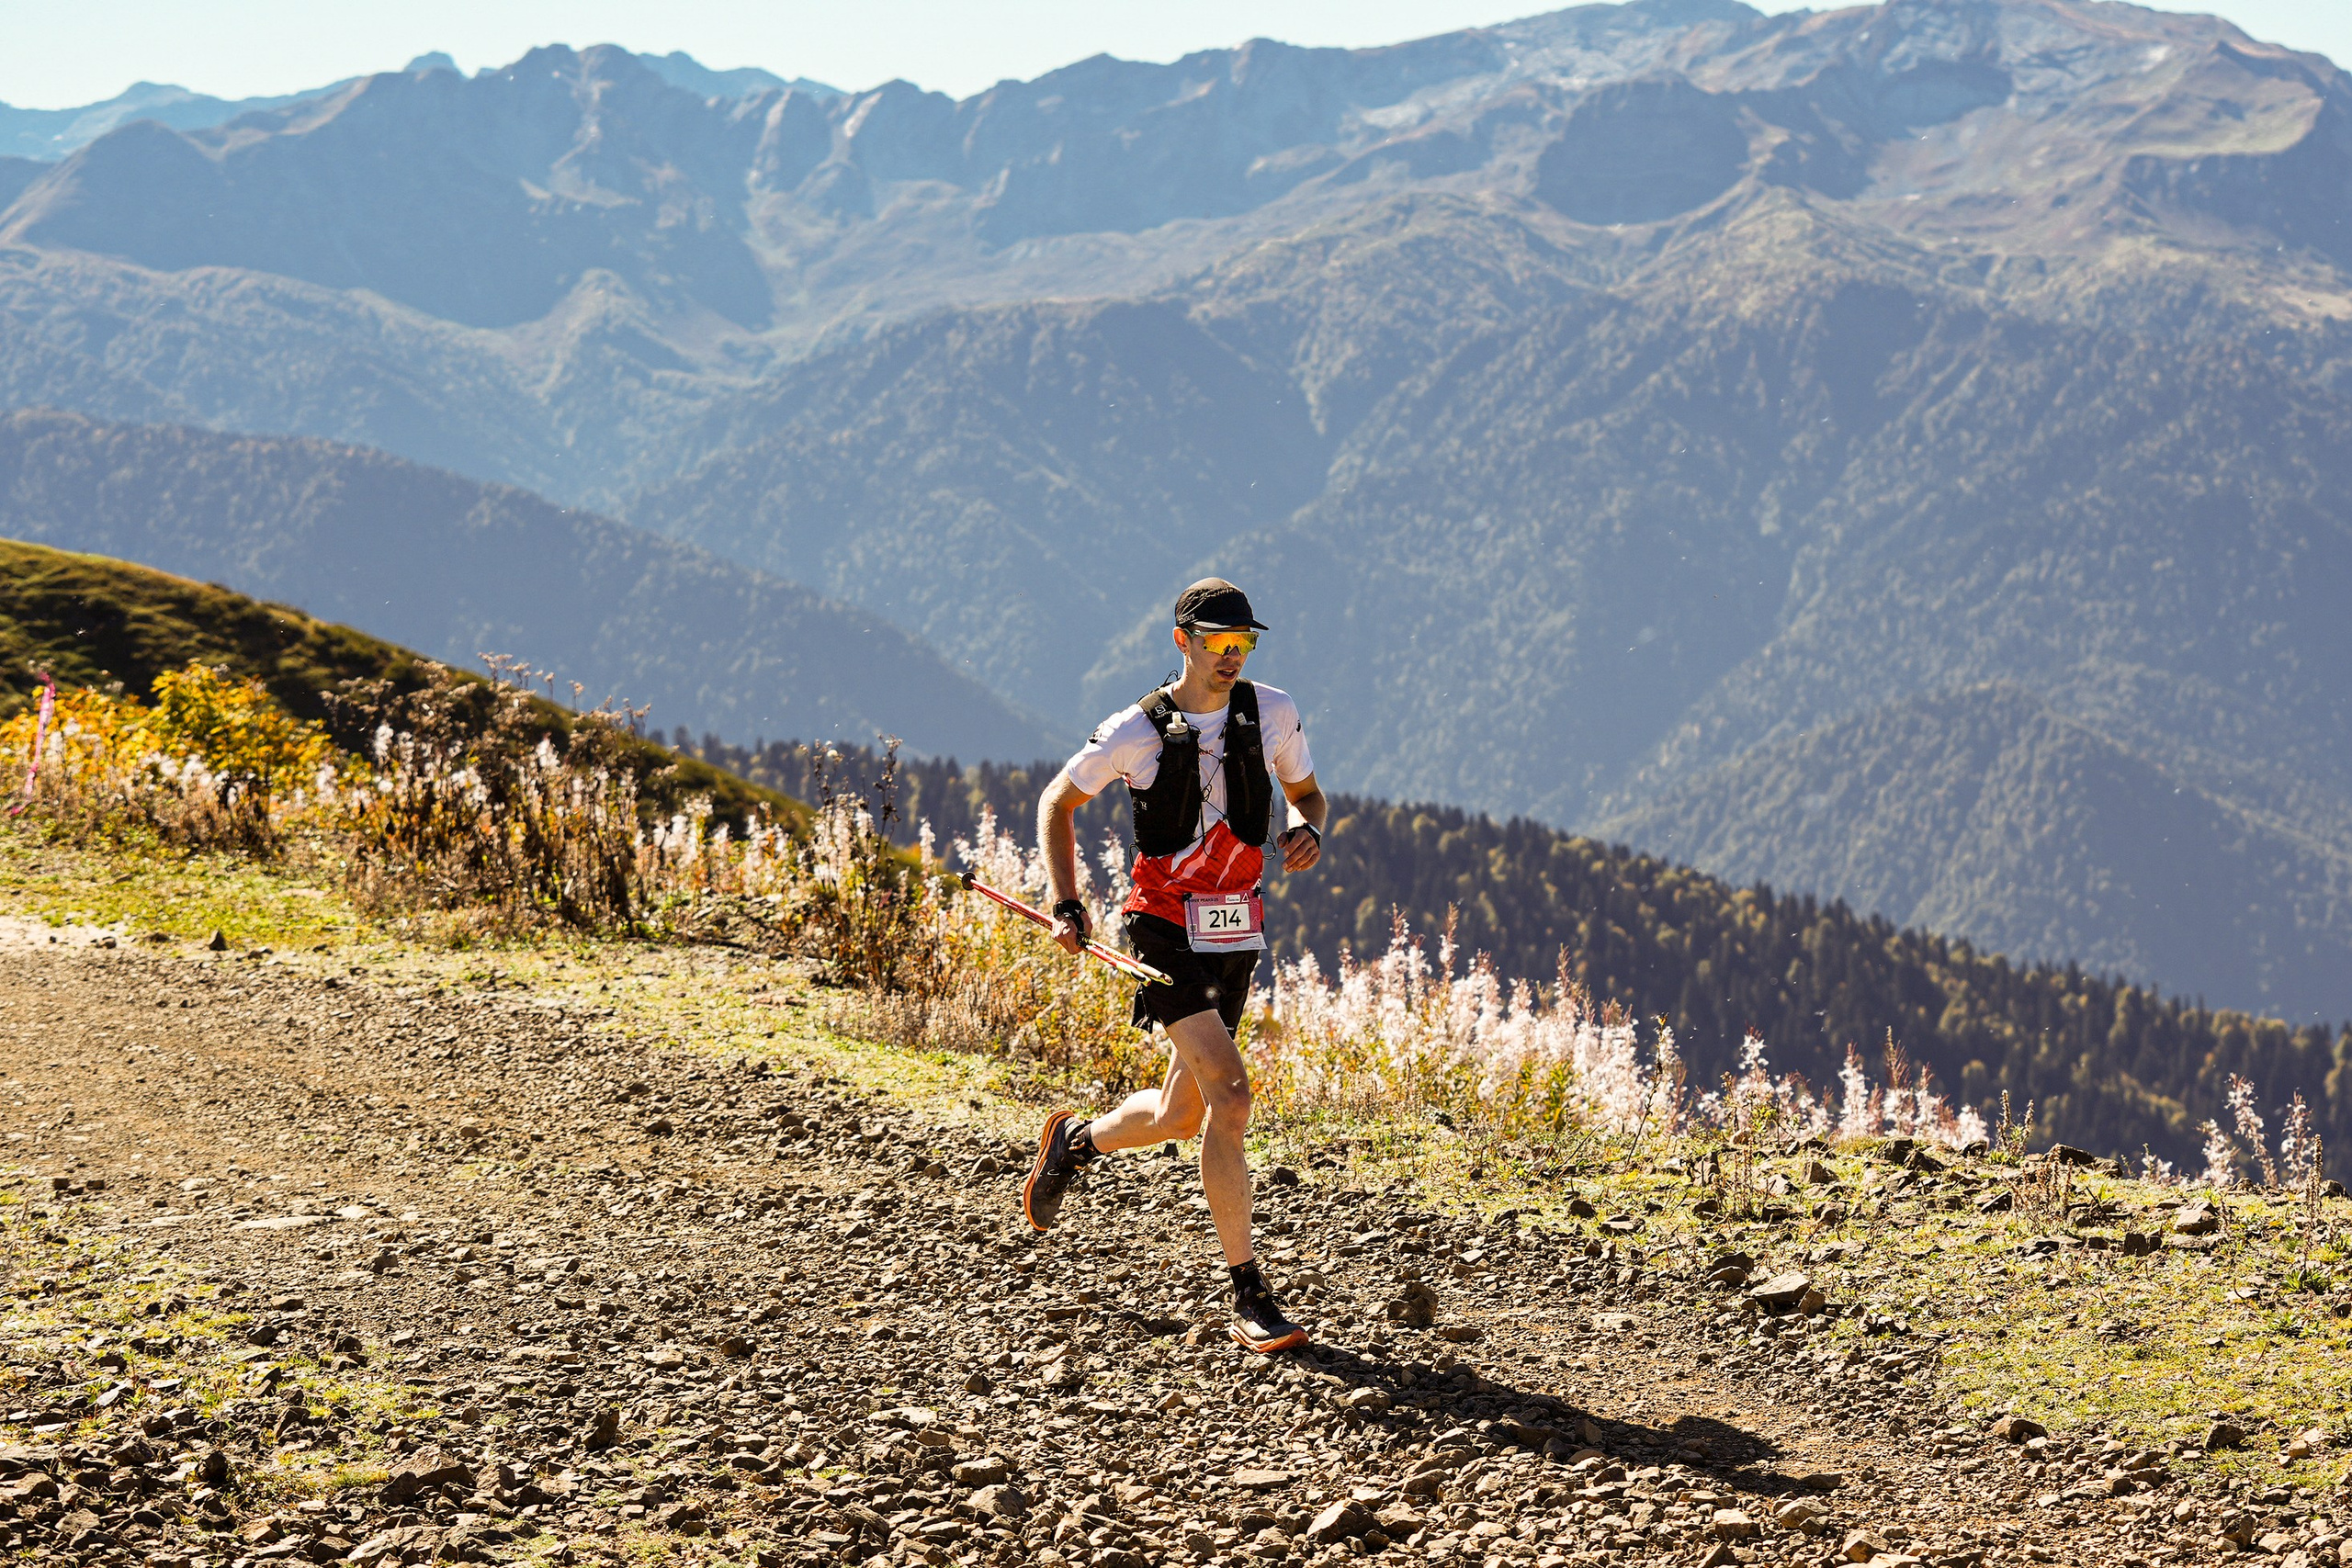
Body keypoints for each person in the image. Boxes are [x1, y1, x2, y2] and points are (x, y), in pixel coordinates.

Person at [1021, 577, 1328, 1353]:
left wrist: (1307, 831)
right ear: (1182, 639)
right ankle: (1250, 1290)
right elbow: (1059, 801)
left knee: (1179, 1115)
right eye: (1218, 643)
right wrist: (1067, 903)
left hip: (1237, 929)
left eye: (1244, 643)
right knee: (1230, 1094)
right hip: (1160, 928)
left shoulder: (1275, 711)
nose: (1232, 657)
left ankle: (1075, 1142)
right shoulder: (1139, 729)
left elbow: (1311, 795)